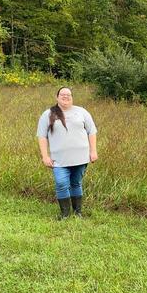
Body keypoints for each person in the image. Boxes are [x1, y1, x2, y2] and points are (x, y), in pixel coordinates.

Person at [37, 87, 98, 219]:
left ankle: (78, 213)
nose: (65, 96)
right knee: (61, 183)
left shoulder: (81, 112)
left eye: (68, 94)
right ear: (57, 97)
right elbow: (42, 136)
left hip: (81, 157)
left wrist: (93, 151)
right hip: (59, 160)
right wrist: (45, 156)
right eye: (62, 94)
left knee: (76, 183)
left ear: (72, 97)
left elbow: (92, 131)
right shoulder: (48, 114)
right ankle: (65, 214)